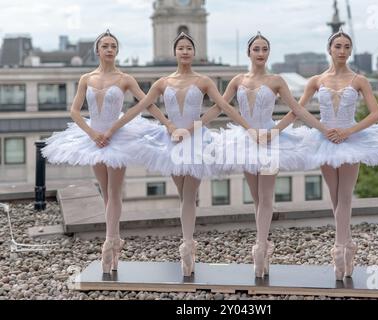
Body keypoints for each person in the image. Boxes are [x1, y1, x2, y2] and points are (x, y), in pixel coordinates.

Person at [103, 32, 254, 277]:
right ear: (175, 52)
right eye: (181, 48)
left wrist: (246, 128)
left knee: (189, 193)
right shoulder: (162, 83)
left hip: (196, 141)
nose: (185, 51)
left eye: (189, 48)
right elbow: (141, 106)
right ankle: (187, 246)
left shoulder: (204, 80)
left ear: (193, 53)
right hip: (172, 140)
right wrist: (114, 128)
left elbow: (223, 106)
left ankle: (186, 245)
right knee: (183, 194)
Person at [196, 32, 330, 278]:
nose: (260, 53)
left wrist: (281, 131)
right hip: (245, 141)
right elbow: (221, 107)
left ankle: (259, 249)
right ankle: (264, 245)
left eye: (264, 49)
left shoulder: (277, 80)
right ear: (249, 52)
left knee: (266, 196)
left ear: (268, 53)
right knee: (257, 198)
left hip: (270, 141)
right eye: (256, 49)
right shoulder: (237, 80)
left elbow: (296, 109)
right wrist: (194, 126)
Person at [283, 27, 378, 280]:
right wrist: (277, 130)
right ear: (329, 50)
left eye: (346, 47)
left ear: (350, 51)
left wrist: (348, 131)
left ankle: (340, 249)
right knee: (334, 197)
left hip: (352, 140)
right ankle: (348, 244)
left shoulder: (359, 80)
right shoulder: (316, 80)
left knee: (345, 195)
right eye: (338, 46)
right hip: (324, 140)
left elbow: (377, 114)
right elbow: (298, 110)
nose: (342, 51)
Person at [42, 30, 172, 274]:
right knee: (106, 193)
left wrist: (168, 124)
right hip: (93, 137)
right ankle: (115, 238)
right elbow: (74, 111)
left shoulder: (125, 78)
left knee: (114, 191)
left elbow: (147, 103)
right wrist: (92, 134)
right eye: (105, 45)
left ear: (117, 50)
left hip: (118, 136)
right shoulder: (86, 78)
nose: (109, 49)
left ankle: (109, 244)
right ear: (98, 50)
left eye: (113, 45)